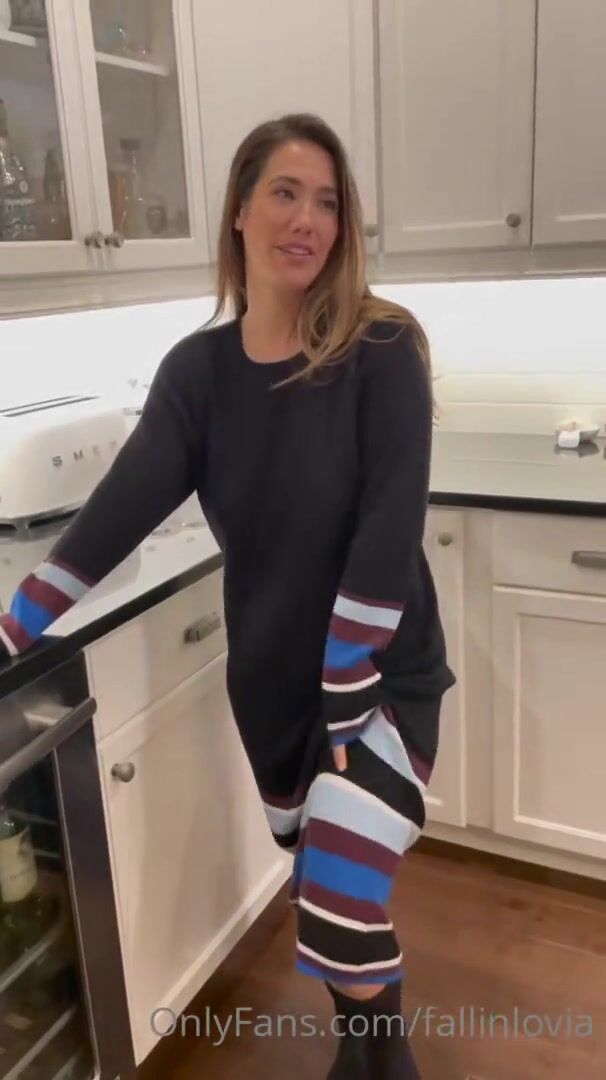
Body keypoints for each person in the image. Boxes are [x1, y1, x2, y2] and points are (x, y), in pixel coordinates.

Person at [0, 113, 455, 1078]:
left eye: (327, 201)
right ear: (240, 210)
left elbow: (388, 531)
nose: (308, 219)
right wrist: (11, 626)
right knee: (325, 891)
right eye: (285, 193)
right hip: (271, 691)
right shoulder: (198, 375)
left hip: (378, 683)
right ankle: (362, 1055)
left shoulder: (382, 349)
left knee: (336, 904)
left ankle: (391, 1068)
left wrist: (348, 689)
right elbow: (113, 518)